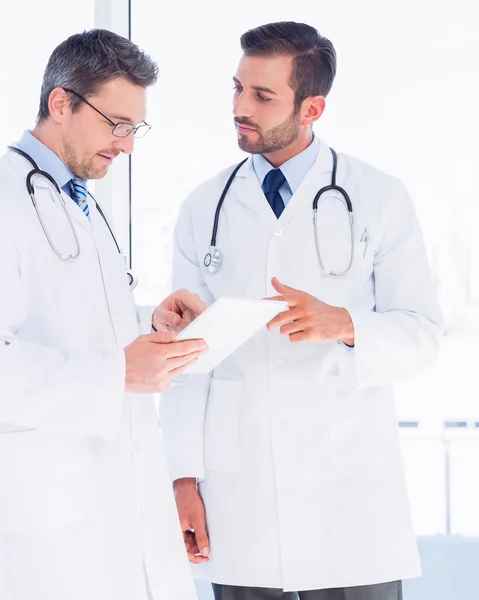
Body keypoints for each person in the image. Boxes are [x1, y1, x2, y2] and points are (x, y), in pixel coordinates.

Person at [160, 21, 444, 600]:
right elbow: (188, 357)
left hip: (349, 499)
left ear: (312, 107)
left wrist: (343, 324)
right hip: (242, 501)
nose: (241, 107)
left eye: (262, 96)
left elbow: (423, 334)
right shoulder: (203, 207)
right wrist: (182, 476)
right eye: (237, 88)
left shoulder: (379, 197)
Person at [0, 29, 207, 600]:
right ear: (61, 103)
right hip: (46, 519)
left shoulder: (78, 199)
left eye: (135, 128)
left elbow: (77, 323)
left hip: (117, 504)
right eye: (117, 125)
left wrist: (150, 326)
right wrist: (117, 373)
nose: (128, 145)